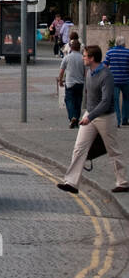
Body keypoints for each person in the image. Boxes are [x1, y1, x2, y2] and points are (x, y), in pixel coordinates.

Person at [57, 45, 129, 194]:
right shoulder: (89, 72)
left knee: (113, 150)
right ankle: (71, 182)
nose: (83, 58)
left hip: (106, 117)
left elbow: (106, 100)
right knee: (79, 148)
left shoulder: (106, 75)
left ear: (92, 58)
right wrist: (88, 115)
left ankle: (123, 182)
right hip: (90, 114)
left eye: (85, 56)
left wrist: (89, 117)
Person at [58, 38, 85, 128]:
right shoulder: (83, 58)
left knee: (69, 100)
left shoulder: (67, 57)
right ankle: (76, 119)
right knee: (78, 102)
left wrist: (60, 80)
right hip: (80, 83)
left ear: (71, 48)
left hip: (69, 83)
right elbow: (86, 73)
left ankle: (72, 117)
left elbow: (62, 71)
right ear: (79, 48)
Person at [104, 36, 129, 126]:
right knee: (126, 99)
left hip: (114, 80)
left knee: (115, 101)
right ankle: (125, 119)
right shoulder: (128, 52)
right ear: (124, 43)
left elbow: (105, 65)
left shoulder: (110, 52)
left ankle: (117, 121)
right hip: (126, 80)